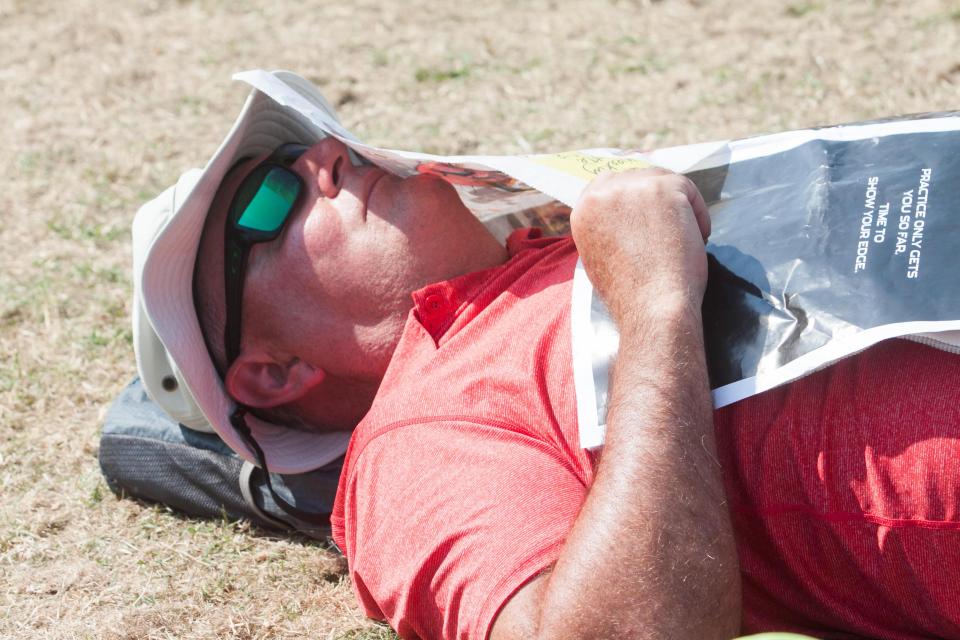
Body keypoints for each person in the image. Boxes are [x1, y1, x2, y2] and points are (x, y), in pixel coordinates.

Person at [133, 71, 960, 640]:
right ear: (274, 371)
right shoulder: (416, 438)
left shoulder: (558, 244)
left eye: (296, 151)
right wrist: (654, 304)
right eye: (267, 201)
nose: (322, 157)